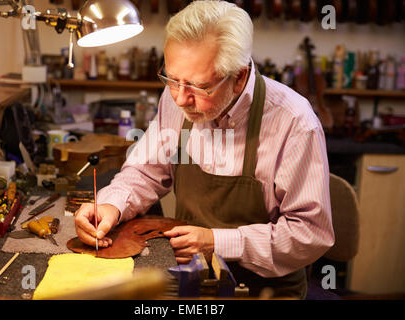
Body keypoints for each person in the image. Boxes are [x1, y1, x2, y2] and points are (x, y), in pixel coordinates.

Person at [74, 0, 334, 299]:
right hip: (189, 277)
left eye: (199, 87)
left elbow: (311, 234)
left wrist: (218, 242)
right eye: (172, 79)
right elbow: (147, 171)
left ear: (238, 77)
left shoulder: (294, 122)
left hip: (263, 290)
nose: (181, 99)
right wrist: (111, 205)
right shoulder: (176, 98)